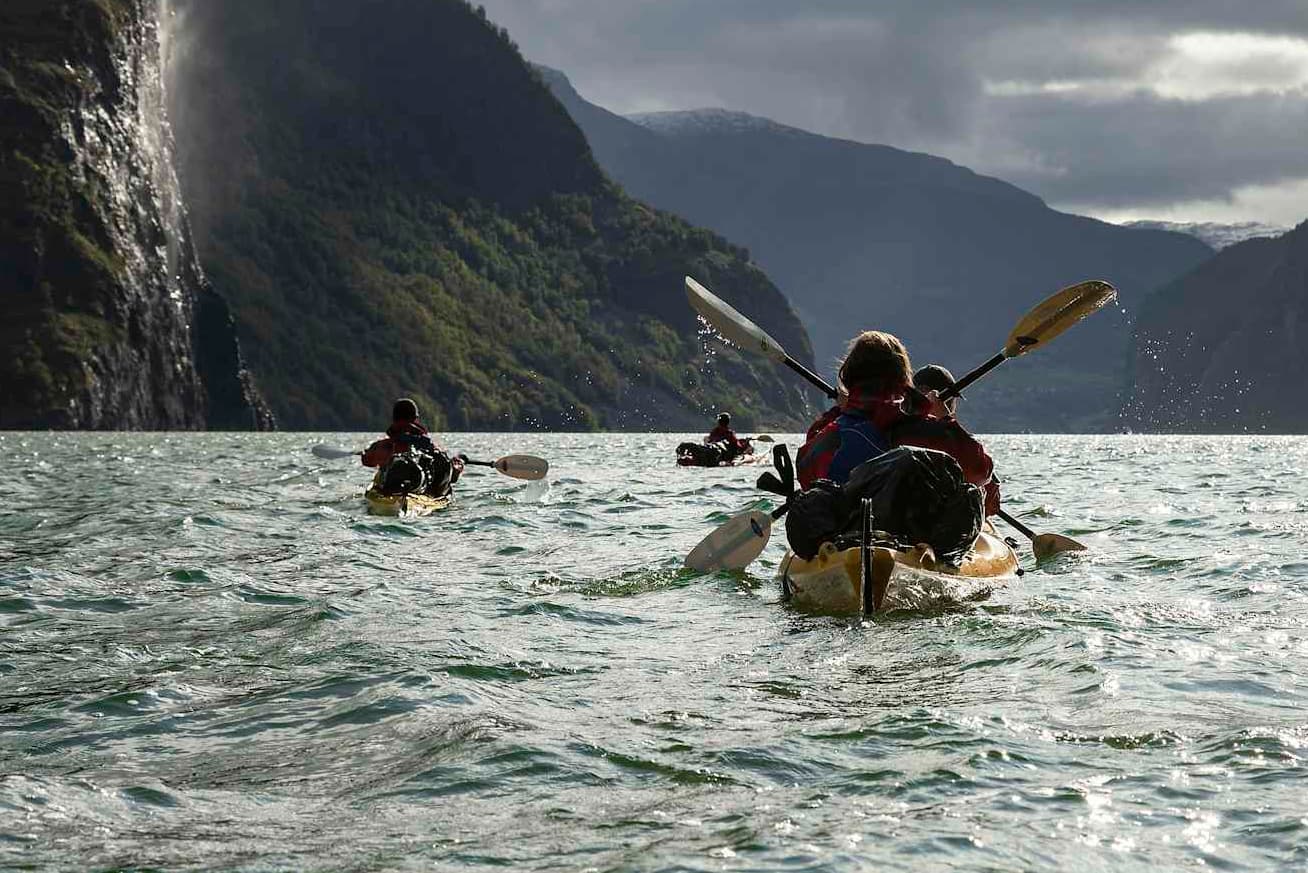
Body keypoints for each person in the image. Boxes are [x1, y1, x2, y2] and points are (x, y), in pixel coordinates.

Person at [795, 332, 999, 515]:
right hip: (917, 542)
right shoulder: (929, 433)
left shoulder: (830, 436)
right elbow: (980, 471)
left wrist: (839, 412)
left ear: (848, 379)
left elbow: (807, 479)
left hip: (843, 538)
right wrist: (945, 420)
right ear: (903, 379)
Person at [362, 398, 464, 496]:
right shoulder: (428, 445)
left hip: (392, 485)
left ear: (394, 418)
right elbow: (452, 476)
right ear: (415, 419)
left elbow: (367, 461)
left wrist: (366, 453)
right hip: (420, 486)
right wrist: (458, 465)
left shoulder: (383, 445)